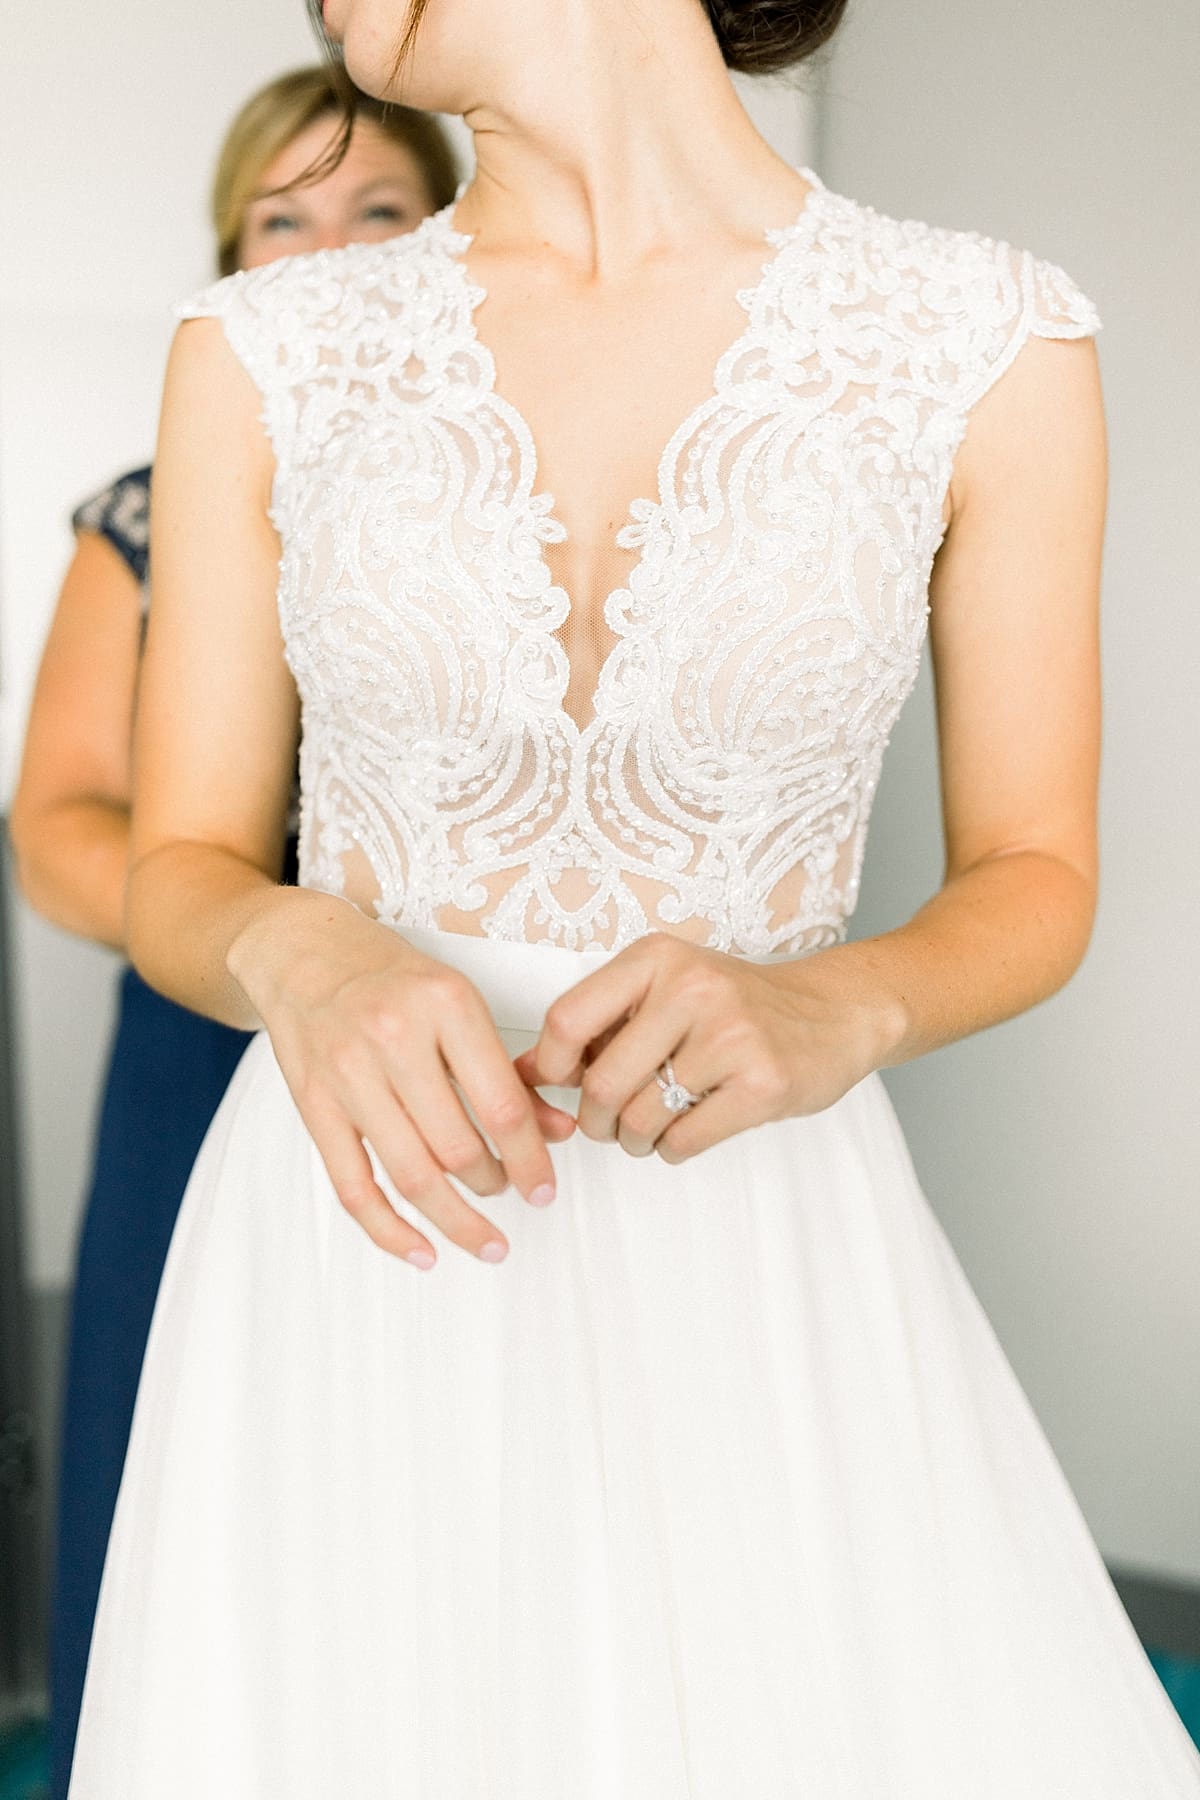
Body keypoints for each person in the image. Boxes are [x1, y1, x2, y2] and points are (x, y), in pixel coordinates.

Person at [66, 0, 1200, 1793]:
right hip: (363, 1237)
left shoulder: (986, 339)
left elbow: (1038, 874)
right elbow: (176, 868)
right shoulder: (263, 350)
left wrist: (841, 1001)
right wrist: (300, 946)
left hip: (755, 1238)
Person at [8, 64, 457, 1800]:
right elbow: (57, 823)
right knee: (175, 1461)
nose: (326, 252)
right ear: (227, 255)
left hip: (483, 1030)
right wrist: (262, 943)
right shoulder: (144, 506)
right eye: (281, 218)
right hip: (203, 1036)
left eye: (378, 210)